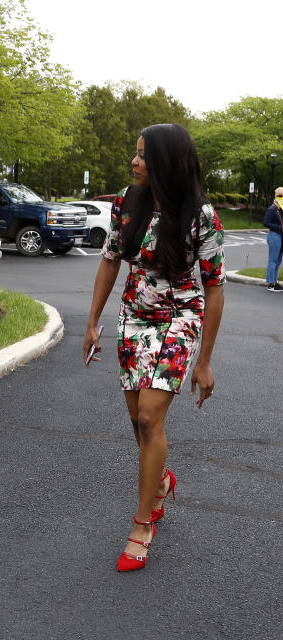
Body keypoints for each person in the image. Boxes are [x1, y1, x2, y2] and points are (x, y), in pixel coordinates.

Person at [83, 124, 225, 572]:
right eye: (135, 152)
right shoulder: (128, 203)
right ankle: (161, 480)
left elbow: (215, 288)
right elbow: (109, 262)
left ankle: (142, 524)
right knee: (136, 422)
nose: (134, 161)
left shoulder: (201, 215)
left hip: (180, 319)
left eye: (143, 155)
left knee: (150, 416)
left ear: (166, 162)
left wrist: (204, 361)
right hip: (134, 317)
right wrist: (91, 323)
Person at [262, 186, 283, 292]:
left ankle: (274, 281)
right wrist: (279, 227)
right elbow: (266, 223)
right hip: (274, 235)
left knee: (278, 261)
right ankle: (270, 284)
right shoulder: (272, 209)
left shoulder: (281, 209)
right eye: (280, 195)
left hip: (281, 236)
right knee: (273, 260)